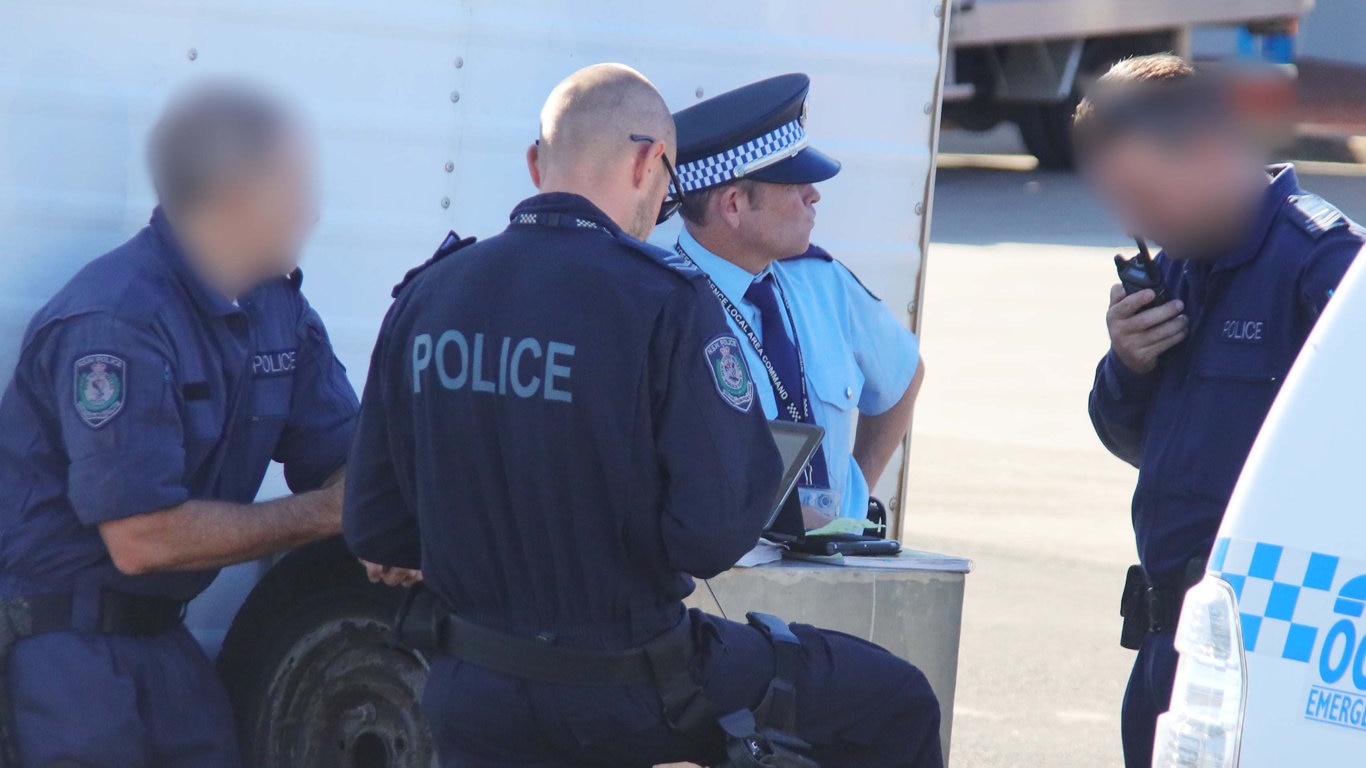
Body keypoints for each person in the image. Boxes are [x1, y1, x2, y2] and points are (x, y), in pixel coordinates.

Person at [343, 63, 944, 768]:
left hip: (472, 690)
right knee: (894, 700)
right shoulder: (664, 301)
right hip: (631, 687)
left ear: (537, 163)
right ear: (648, 161)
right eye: (665, 181)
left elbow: (377, 526)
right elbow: (709, 539)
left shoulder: (429, 294)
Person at [0, 82, 360, 766]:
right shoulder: (119, 321)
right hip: (61, 650)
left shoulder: (278, 311)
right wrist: (325, 514)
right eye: (292, 190)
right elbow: (143, 538)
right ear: (232, 197)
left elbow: (348, 455)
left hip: (160, 642)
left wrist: (372, 517)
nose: (311, 211)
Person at [1078, 54, 1364, 768]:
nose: (1134, 220)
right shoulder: (1178, 262)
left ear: (1207, 152)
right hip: (1168, 644)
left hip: (1270, 648)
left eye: (1145, 195)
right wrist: (1128, 365)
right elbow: (1137, 441)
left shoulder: (1324, 268)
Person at [667, 74, 924, 531]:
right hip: (733, 582)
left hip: (837, 567)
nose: (814, 194)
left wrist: (853, 496)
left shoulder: (822, 282)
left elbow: (903, 375)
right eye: (793, 182)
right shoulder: (666, 304)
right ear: (733, 206)